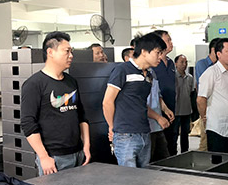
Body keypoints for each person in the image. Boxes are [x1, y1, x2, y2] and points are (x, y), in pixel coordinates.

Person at [21, 31, 90, 176]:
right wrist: (43, 157)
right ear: (50, 52)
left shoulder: (71, 82)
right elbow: (28, 123)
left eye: (71, 51)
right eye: (67, 51)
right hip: (54, 158)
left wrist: (86, 146)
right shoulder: (34, 84)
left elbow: (81, 116)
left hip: (78, 154)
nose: (71, 55)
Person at [102, 32, 166, 168]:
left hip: (145, 132)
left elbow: (140, 103)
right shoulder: (122, 70)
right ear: (144, 52)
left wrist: (158, 118)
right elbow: (107, 102)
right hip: (126, 135)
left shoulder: (149, 75)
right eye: (158, 52)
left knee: (144, 176)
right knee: (129, 178)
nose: (160, 57)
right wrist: (112, 127)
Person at [197, 38, 228, 153]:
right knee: (219, 160)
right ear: (219, 54)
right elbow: (201, 99)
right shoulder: (211, 73)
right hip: (217, 128)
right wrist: (204, 116)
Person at [153, 30, 178, 156]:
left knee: (172, 141)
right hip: (157, 110)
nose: (171, 43)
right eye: (168, 40)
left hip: (171, 108)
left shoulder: (171, 63)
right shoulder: (153, 65)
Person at [147, 68, 174, 162]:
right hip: (147, 127)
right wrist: (158, 118)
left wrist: (166, 110)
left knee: (164, 158)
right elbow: (140, 105)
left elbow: (158, 96)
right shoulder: (136, 76)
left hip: (158, 126)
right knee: (148, 160)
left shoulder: (152, 73)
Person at [174, 54, 195, 153]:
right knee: (174, 134)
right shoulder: (173, 77)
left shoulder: (190, 78)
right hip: (176, 110)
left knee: (185, 133)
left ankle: (185, 152)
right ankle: (173, 153)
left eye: (186, 62)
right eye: (181, 62)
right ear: (176, 64)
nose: (184, 64)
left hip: (186, 110)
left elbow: (191, 93)